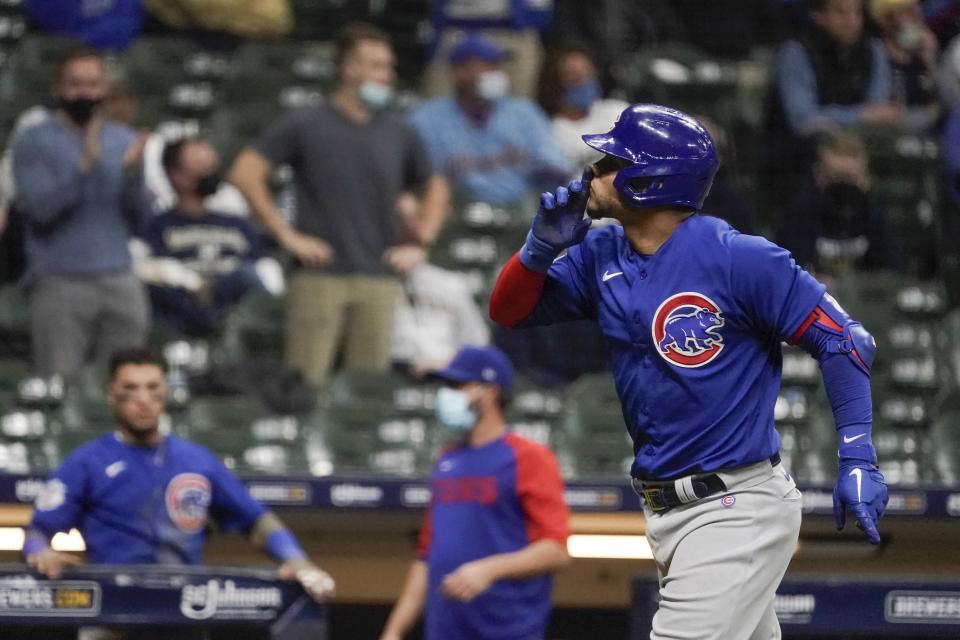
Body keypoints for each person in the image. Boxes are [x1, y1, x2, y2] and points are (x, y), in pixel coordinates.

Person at [488, 104, 888, 639]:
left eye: (612, 160)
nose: (594, 170)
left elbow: (845, 341)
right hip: (667, 511)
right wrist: (537, 252)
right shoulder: (600, 250)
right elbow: (509, 311)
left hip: (734, 506)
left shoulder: (740, 258)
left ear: (651, 180)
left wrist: (858, 454)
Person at [22, 348, 334, 640]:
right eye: (130, 389)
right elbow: (37, 529)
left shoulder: (196, 460)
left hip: (185, 610)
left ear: (165, 392)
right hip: (112, 611)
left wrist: (297, 559)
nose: (143, 399)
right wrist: (40, 551)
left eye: (152, 387)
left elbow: (255, 519)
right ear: (111, 395)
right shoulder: (87, 461)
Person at [229, 22, 449, 385]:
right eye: (377, 65)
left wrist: (421, 242)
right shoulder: (306, 122)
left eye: (389, 66)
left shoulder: (400, 132)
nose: (388, 75)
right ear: (349, 68)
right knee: (305, 385)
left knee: (366, 391)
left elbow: (436, 185)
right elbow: (245, 172)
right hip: (319, 275)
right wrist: (286, 235)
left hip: (379, 277)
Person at [380, 346, 571, 640]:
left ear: (489, 392)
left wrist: (490, 570)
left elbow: (556, 551)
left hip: (507, 630)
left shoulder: (529, 457)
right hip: (445, 630)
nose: (447, 394)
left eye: (457, 386)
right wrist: (393, 631)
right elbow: (427, 555)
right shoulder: (446, 459)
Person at [13, 47, 153, 378]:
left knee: (128, 383)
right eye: (75, 84)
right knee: (59, 381)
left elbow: (143, 222)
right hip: (60, 279)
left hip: (120, 277)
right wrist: (84, 166)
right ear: (58, 88)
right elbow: (40, 211)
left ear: (103, 89)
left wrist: (135, 178)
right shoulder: (34, 140)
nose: (84, 92)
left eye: (92, 84)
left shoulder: (123, 140)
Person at [136, 137, 282, 337]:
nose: (210, 171)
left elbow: (262, 274)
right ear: (176, 175)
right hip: (181, 320)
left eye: (211, 164)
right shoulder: (158, 226)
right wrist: (189, 283)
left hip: (236, 322)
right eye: (200, 165)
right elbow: (147, 272)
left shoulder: (237, 224)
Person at [409, 33, 572, 207]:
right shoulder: (425, 119)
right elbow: (412, 180)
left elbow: (554, 168)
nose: (498, 73)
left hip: (515, 214)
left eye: (498, 66)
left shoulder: (524, 113)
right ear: (459, 72)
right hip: (455, 216)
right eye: (489, 66)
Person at [774, 0, 900, 137]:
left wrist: (862, 116)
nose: (851, 21)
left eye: (857, 13)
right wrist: (860, 115)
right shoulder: (797, 52)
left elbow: (878, 112)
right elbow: (804, 120)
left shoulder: (874, 50)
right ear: (819, 16)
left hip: (861, 142)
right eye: (840, 13)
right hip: (803, 148)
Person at [776, 131, 895, 275]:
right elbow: (789, 273)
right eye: (835, 178)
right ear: (819, 176)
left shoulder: (876, 217)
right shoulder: (797, 216)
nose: (843, 189)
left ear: (867, 180)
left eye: (851, 179)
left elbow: (890, 273)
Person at [389, 247, 491, 378]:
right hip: (394, 371)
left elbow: (478, 341)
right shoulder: (377, 283)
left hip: (448, 372)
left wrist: (449, 362)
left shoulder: (451, 285)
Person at [537, 44, 630, 173]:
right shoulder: (547, 131)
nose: (585, 81)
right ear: (555, 82)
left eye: (588, 72)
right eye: (574, 75)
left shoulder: (618, 111)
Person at [870, 0, 942, 131]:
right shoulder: (875, 54)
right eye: (907, 12)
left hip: (930, 136)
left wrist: (930, 62)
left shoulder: (925, 53)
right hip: (888, 135)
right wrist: (928, 115)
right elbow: (882, 114)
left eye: (916, 10)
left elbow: (949, 105)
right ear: (886, 21)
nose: (916, 17)